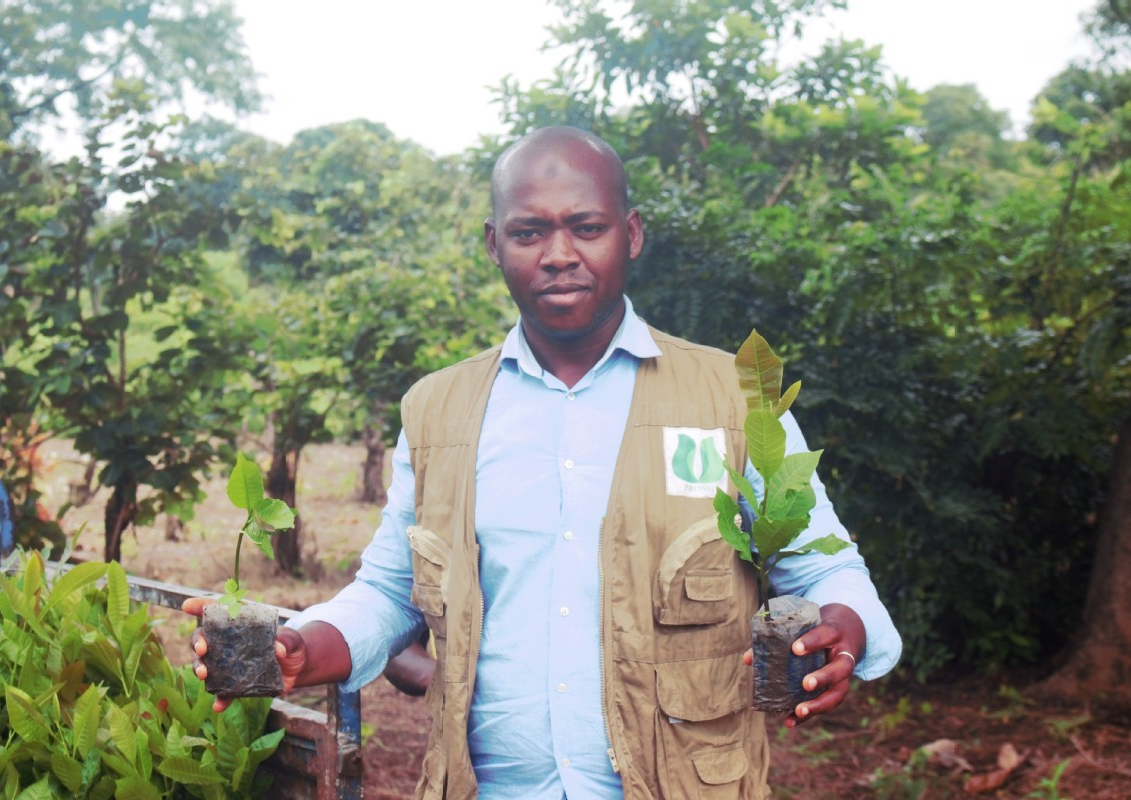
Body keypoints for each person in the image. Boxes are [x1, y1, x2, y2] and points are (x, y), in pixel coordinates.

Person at [185, 126, 901, 799]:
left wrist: (843, 628)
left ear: (632, 234)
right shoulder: (436, 411)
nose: (559, 253)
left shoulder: (734, 395)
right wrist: (301, 648)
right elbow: (391, 592)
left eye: (586, 227)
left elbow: (824, 566)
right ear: (495, 244)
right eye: (530, 232)